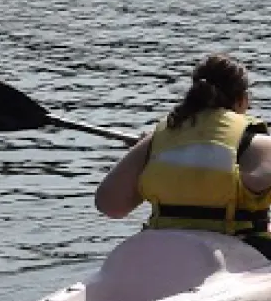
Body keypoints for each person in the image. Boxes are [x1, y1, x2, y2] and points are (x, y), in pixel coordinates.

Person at [95, 53, 271, 257]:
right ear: (243, 99)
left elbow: (110, 206)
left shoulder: (158, 140)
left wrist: (147, 147)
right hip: (237, 252)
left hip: (159, 249)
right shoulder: (259, 145)